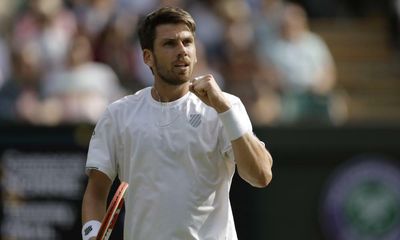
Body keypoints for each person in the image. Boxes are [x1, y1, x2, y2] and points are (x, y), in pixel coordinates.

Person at [81, 6, 273, 240]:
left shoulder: (227, 106)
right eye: (170, 44)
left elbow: (261, 175)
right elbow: (95, 193)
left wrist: (224, 109)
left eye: (187, 42)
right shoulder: (118, 114)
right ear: (147, 57)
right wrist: (90, 235)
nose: (182, 51)